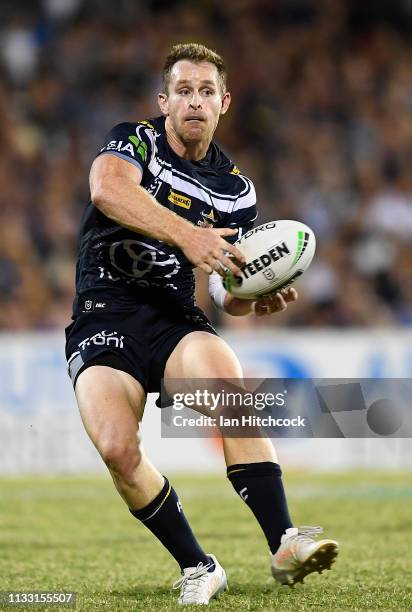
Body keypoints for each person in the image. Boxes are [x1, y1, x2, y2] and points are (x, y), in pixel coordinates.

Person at [65, 43, 338, 605]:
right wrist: (186, 234)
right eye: (183, 90)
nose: (194, 100)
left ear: (224, 103)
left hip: (173, 321)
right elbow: (107, 189)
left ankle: (285, 542)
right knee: (118, 449)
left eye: (206, 91)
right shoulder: (134, 140)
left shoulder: (236, 192)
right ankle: (199, 564)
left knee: (231, 391)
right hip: (102, 317)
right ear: (164, 101)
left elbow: (225, 291)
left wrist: (253, 298)